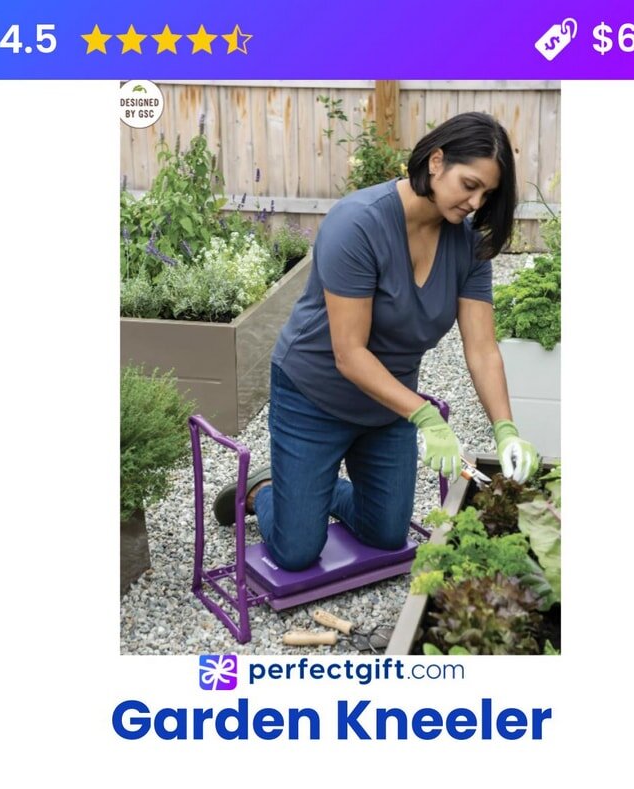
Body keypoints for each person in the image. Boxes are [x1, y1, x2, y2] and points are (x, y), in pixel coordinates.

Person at [213, 111, 539, 571]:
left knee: (386, 533)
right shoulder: (358, 224)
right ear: (436, 161)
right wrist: (426, 416)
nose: (475, 201)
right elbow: (349, 354)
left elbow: (482, 348)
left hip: (388, 406)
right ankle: (266, 490)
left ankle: (307, 489)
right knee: (296, 552)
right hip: (315, 395)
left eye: (487, 193)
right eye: (470, 185)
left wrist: (506, 428)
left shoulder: (466, 244)